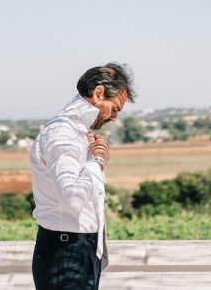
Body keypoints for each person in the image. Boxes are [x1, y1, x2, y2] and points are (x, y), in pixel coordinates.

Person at [30, 62, 136, 290]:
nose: (114, 117)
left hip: (75, 249)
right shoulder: (63, 134)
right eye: (115, 108)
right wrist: (97, 162)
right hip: (66, 252)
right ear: (98, 93)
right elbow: (72, 199)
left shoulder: (75, 133)